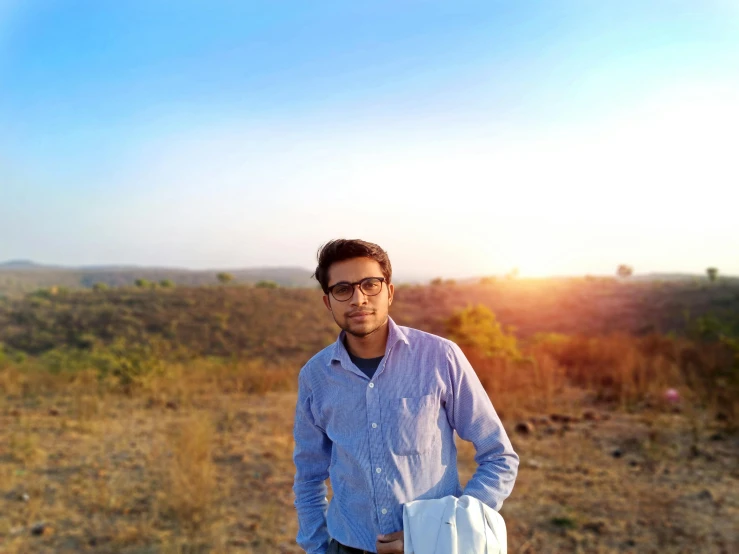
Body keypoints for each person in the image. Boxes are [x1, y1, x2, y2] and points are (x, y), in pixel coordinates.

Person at [292, 239, 519, 554]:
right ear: (328, 302)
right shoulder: (316, 376)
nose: (358, 299)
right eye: (342, 289)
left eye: (370, 285)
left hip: (434, 549)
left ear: (389, 292)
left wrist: (445, 527)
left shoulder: (440, 357)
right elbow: (308, 477)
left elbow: (499, 457)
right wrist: (317, 549)